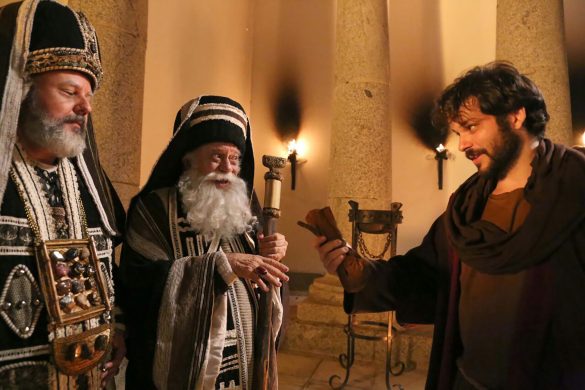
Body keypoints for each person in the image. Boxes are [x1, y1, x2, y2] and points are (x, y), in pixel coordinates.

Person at [315, 62, 585, 389]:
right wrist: (360, 273)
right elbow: (425, 275)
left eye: (471, 127)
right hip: (467, 380)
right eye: (459, 133)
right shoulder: (466, 204)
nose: (462, 144)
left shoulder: (573, 187)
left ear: (515, 116)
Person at [119, 95, 289, 389]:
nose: (227, 167)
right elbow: (139, 286)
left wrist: (272, 253)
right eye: (216, 156)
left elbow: (266, 279)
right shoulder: (155, 210)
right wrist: (220, 267)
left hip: (246, 369)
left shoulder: (245, 206)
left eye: (235, 158)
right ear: (187, 159)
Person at [0, 1, 127, 388]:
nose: (85, 107)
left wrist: (118, 325)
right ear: (22, 90)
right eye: (69, 90)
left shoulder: (90, 183)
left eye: (88, 95)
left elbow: (109, 272)